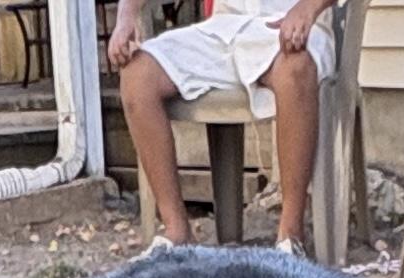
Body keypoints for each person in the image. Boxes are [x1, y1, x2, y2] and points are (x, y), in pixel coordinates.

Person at [109, 0, 337, 257]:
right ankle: (176, 232)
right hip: (223, 30)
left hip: (295, 26)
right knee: (137, 74)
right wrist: (126, 16)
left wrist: (307, 8)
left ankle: (290, 237)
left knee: (296, 65)